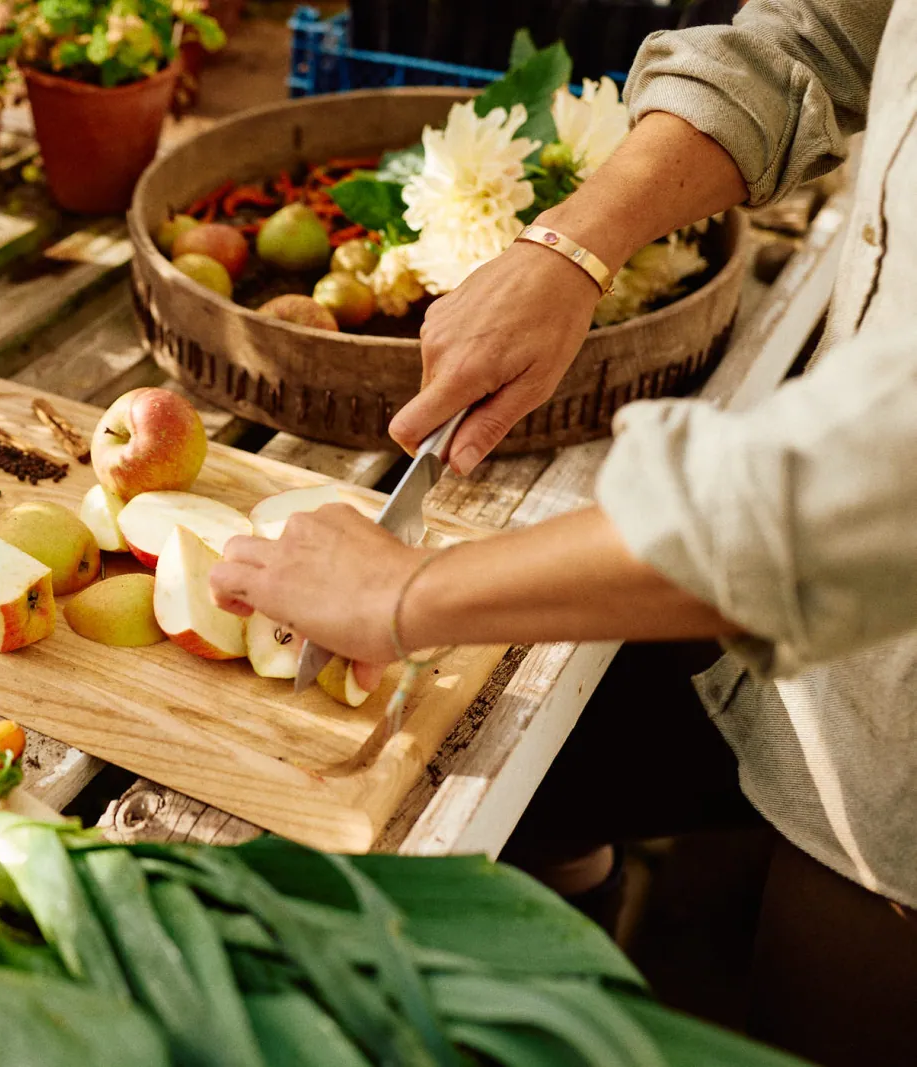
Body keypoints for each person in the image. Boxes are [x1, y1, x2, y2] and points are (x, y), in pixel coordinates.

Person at [209, 2, 917, 1063]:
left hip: (897, 774)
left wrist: (405, 597)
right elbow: (817, 29)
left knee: (813, 1015)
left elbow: (860, 495)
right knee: (548, 780)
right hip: (817, 652)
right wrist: (572, 245)